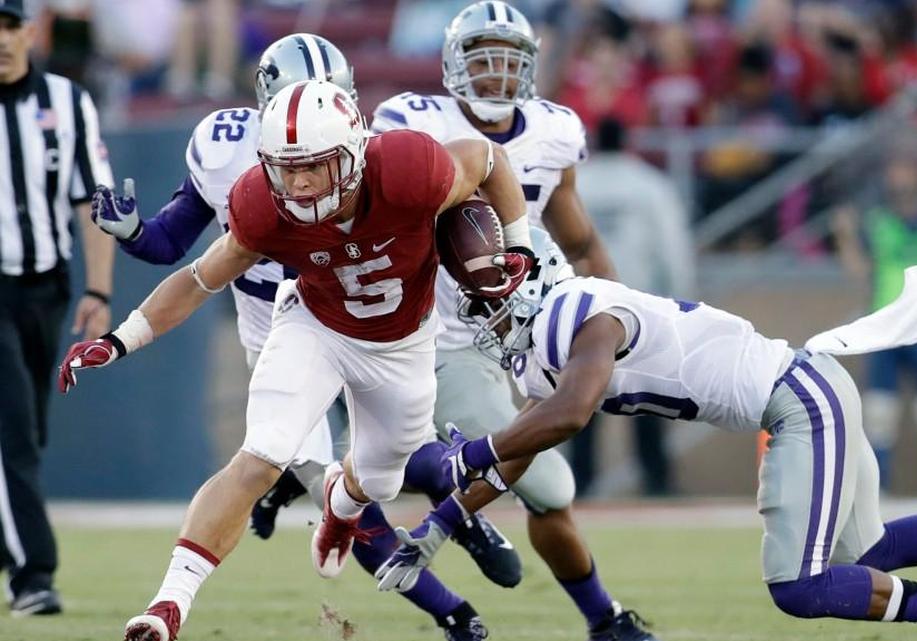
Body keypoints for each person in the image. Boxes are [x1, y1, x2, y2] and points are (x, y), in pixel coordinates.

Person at [376, 231, 917, 641]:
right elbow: (521, 448)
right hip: (802, 392)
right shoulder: (541, 353)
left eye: (488, 298)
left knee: (799, 585)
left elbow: (571, 413)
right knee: (863, 553)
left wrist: (468, 452)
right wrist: (441, 522)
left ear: (529, 278)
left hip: (799, 400)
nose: (483, 317)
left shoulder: (576, 310)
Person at [58, 78, 534, 641]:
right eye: (286, 168)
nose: (300, 182)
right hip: (315, 327)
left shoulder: (408, 167)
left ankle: (340, 505)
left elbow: (488, 158)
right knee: (263, 454)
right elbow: (197, 279)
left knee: (379, 482)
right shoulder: (261, 203)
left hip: (403, 346)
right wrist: (119, 340)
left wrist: (519, 248)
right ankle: (167, 606)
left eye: (315, 165)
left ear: (355, 152)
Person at [370, 4, 654, 640]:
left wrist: (612, 317)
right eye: (482, 59)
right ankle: (459, 507)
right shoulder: (415, 122)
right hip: (450, 333)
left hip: (532, 329)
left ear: (531, 67)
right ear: (453, 65)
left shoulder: (553, 131)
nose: (496, 75)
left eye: (509, 61)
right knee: (546, 480)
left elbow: (579, 242)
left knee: (550, 497)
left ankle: (603, 619)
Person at [0, 0, 115, 616]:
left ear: (29, 30)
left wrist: (98, 292)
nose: (2, 39)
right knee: (12, 433)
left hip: (46, 287)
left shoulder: (68, 103)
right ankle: (33, 576)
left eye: (10, 25)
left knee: (31, 433)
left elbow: (91, 200)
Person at [832, 154, 917, 498]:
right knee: (879, 413)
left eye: (906, 170)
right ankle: (877, 487)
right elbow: (862, 270)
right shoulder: (877, 222)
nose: (900, 179)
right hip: (886, 325)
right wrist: (845, 237)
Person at [571, 117, 695, 497]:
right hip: (641, 311)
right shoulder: (650, 185)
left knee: (580, 402)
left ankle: (578, 488)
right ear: (628, 140)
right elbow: (673, 251)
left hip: (584, 310)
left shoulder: (575, 185)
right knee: (649, 404)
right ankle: (657, 487)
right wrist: (683, 304)